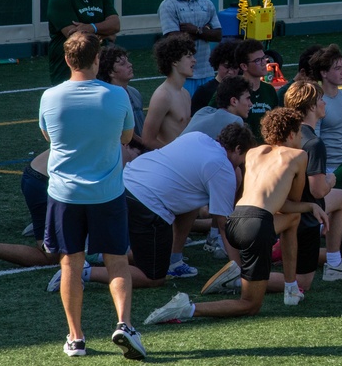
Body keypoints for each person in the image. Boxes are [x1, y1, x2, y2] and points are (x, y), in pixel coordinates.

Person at [145, 109, 332, 323]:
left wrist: (308, 207)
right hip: (256, 226)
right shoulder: (299, 156)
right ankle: (187, 308)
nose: (301, 138)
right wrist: (311, 205)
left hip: (235, 221)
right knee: (249, 305)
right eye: (299, 133)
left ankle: (288, 289)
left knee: (292, 220)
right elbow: (289, 204)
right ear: (290, 135)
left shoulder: (253, 153)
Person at [39, 31, 145, 359]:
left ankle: (75, 338)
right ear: (97, 60)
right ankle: (124, 325)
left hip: (64, 195)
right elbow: (127, 137)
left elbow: (48, 136)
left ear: (68, 60)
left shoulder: (50, 97)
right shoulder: (117, 96)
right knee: (117, 262)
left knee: (70, 264)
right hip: (107, 194)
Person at [47, 124, 252, 291]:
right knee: (153, 277)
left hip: (122, 185)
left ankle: (173, 259)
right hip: (146, 203)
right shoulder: (222, 167)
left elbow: (189, 197)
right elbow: (224, 224)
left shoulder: (197, 137)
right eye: (242, 159)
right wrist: (239, 270)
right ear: (237, 149)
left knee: (189, 207)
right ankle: (80, 272)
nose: (240, 165)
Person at [282, 81, 342, 286]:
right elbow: (317, 191)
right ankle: (241, 282)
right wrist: (330, 180)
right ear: (310, 107)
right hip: (304, 214)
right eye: (320, 99)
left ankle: (334, 262)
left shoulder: (285, 135)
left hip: (280, 207)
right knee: (302, 283)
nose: (324, 103)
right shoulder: (314, 143)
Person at [47, 0, 120, 85]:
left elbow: (115, 25)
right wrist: (105, 34)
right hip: (68, 70)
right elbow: (76, 37)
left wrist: (91, 28)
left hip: (99, 66)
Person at [158, 0, 222, 96]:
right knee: (185, 115)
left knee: (209, 114)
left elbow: (218, 35)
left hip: (207, 72)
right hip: (184, 76)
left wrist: (195, 30)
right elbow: (174, 40)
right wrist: (204, 32)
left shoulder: (206, 4)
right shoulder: (168, 5)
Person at [142, 34, 196, 149]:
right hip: (171, 161)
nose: (194, 61)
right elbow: (147, 139)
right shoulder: (163, 96)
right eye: (189, 56)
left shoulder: (185, 93)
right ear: (175, 61)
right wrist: (171, 155)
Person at [310, 45, 342, 172]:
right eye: (337, 68)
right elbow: (314, 141)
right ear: (323, 73)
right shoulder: (316, 103)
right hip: (329, 168)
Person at [226, 39, 279, 142]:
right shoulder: (230, 89)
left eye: (264, 58)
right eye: (258, 60)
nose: (264, 63)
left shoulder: (269, 90)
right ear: (244, 66)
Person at [97, 46, 146, 153]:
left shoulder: (134, 92)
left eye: (128, 61)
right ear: (110, 72)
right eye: (123, 64)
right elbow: (127, 135)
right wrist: (148, 146)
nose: (130, 65)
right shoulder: (108, 98)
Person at [183, 76, 251, 139]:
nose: (251, 104)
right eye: (247, 98)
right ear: (234, 101)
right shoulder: (235, 121)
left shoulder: (203, 111)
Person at [191, 41, 239, 114]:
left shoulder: (242, 89)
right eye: (226, 66)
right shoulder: (204, 91)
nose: (231, 71)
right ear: (217, 64)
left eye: (235, 67)